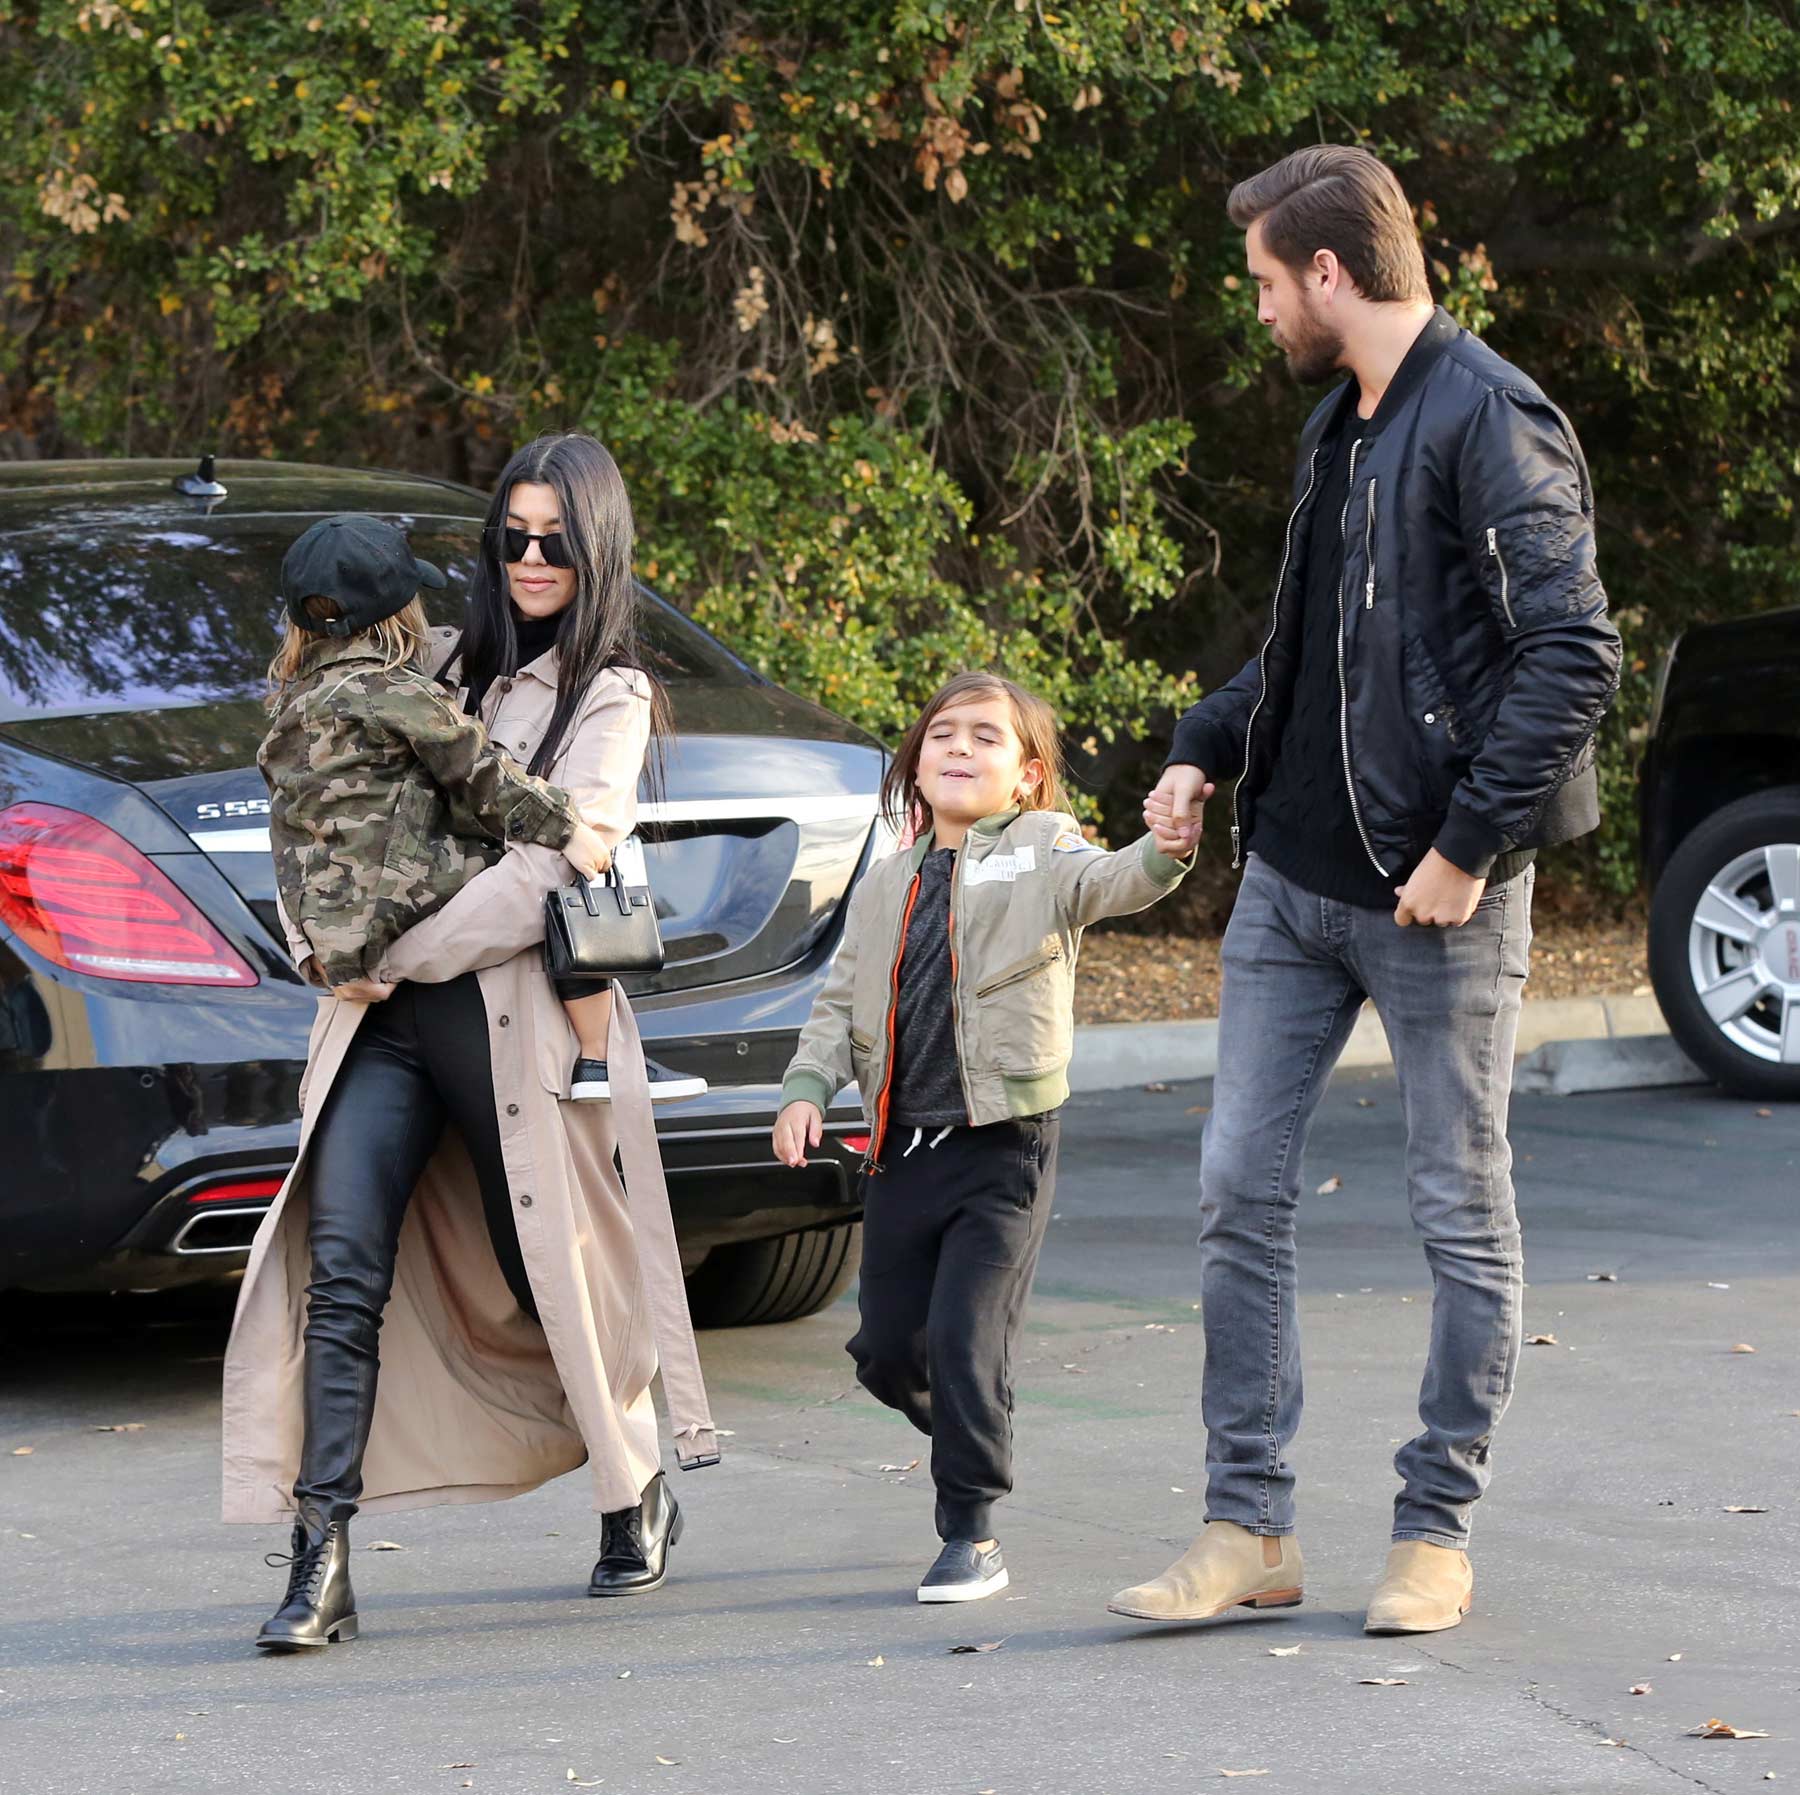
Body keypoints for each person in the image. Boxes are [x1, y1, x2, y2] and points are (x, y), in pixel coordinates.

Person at [1108, 146, 1621, 1637]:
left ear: (1329, 274)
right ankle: (1247, 1523)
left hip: (1437, 892)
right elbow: (1326, 648)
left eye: (1268, 280)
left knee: (1460, 1206)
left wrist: (1466, 847)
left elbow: (1570, 655)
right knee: (1232, 1191)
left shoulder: (1489, 415)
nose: (1260, 306)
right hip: (1293, 883)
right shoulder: (1344, 423)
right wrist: (1208, 745)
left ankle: (1435, 1521)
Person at [223, 435, 719, 1653]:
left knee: (549, 1273)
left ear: (596, 546)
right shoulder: (422, 658)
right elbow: (312, 817)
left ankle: (632, 1483)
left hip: (513, 1019)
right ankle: (319, 1559)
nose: (533, 557)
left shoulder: (612, 691)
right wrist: (317, 941)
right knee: (340, 1270)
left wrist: (397, 950)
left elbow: (563, 857)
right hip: (377, 1023)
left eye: (557, 538)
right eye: (513, 535)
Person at [772, 672, 1193, 1603]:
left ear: (1028, 775)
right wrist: (807, 1088)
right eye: (942, 735)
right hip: (901, 1153)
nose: (959, 748)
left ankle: (971, 1529)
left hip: (1005, 1146)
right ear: (916, 766)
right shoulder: (887, 879)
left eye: (986, 738)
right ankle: (977, 1423)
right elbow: (840, 1001)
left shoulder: (1043, 848)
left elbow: (1111, 880)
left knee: (966, 1341)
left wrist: (1164, 850)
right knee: (887, 1352)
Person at [258, 512, 619, 1087]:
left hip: (332, 922)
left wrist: (322, 945)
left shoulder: (290, 708)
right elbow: (480, 771)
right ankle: (600, 1052)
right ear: (401, 613)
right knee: (555, 877)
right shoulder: (399, 693)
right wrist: (566, 826)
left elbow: (288, 825)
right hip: (409, 897)